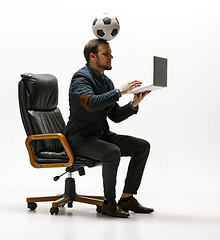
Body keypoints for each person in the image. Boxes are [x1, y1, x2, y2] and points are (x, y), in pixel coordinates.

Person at [64, 38, 153, 218]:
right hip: (79, 139)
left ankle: (127, 198)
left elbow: (115, 116)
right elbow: (90, 103)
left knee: (142, 146)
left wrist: (133, 105)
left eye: (110, 53)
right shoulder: (80, 79)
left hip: (100, 135)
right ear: (92, 57)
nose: (111, 57)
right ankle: (109, 203)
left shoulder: (106, 82)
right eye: (106, 53)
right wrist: (119, 91)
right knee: (112, 152)